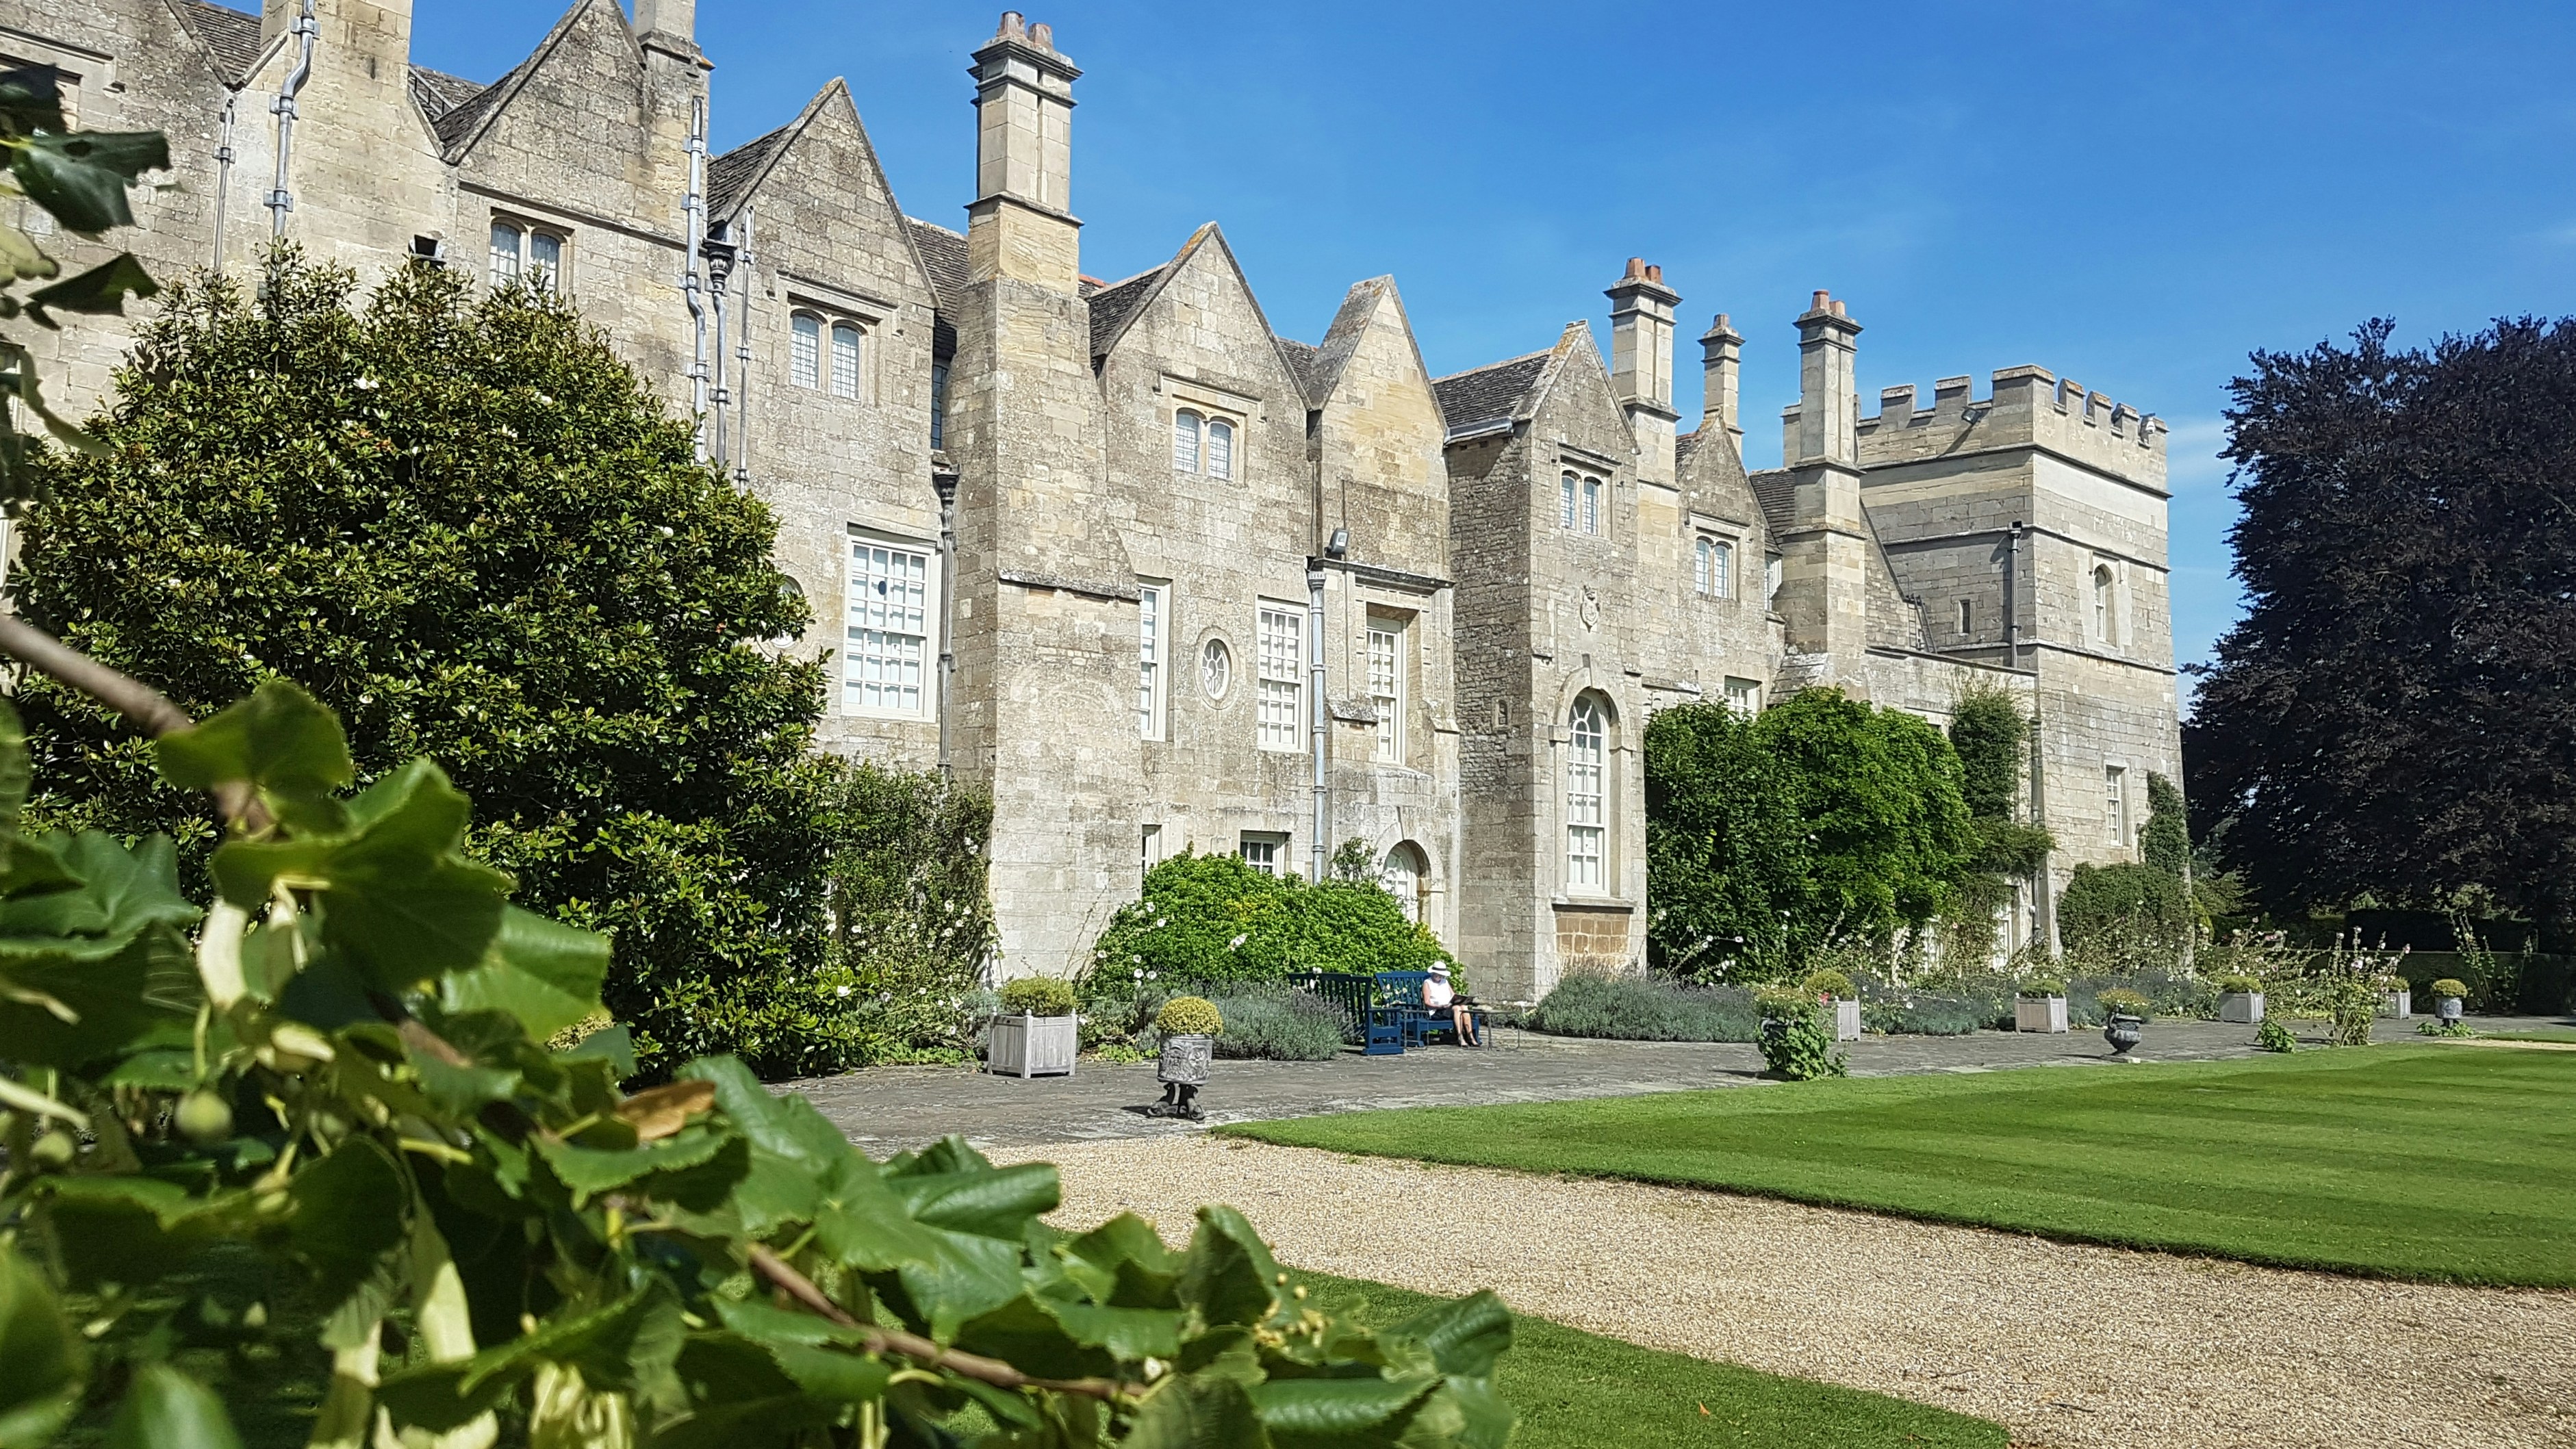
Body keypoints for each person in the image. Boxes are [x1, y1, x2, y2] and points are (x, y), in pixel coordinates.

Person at [1421, 963, 1483, 1047]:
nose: (1439, 976)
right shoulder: (1427, 983)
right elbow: (1427, 1002)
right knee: (1457, 1009)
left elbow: (1453, 996)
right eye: (1437, 974)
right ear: (1433, 973)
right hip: (1437, 1011)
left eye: (1441, 975)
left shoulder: (1445, 982)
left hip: (1448, 1008)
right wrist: (1441, 1006)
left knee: (1464, 1007)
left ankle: (1470, 1036)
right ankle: (1460, 1036)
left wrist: (1460, 1000)